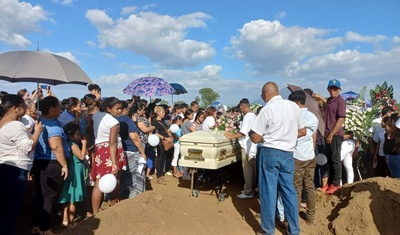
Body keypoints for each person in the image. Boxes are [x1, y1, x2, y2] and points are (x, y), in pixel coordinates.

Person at [250, 82, 306, 235]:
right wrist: (286, 136)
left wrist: (270, 136)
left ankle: (268, 230)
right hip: (288, 154)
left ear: (265, 94)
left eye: (262, 96)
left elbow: (255, 138)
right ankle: (294, 230)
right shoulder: (294, 107)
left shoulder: (267, 109)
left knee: (268, 192)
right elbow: (303, 131)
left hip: (271, 153)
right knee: (289, 192)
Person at [0, 94, 43, 235]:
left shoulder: (3, 123)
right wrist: (37, 132)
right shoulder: (15, 125)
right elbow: (27, 147)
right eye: (24, 106)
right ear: (15, 108)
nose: (26, 108)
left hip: (6, 168)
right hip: (14, 171)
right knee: (10, 210)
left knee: (5, 209)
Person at [31, 96, 70, 235]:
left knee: (40, 195)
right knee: (49, 197)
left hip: (39, 162)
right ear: (52, 108)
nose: (61, 109)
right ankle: (45, 229)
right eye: (59, 106)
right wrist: (64, 165)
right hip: (52, 163)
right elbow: (56, 147)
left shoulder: (41, 122)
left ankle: (36, 225)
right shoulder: (52, 126)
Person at [91, 97, 126, 215]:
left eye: (121, 108)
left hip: (100, 150)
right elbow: (112, 142)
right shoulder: (114, 122)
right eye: (117, 109)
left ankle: (95, 212)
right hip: (111, 152)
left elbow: (90, 129)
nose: (120, 111)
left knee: (98, 181)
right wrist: (114, 162)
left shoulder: (96, 116)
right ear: (109, 108)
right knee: (114, 179)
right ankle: (114, 207)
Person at [288, 90, 318, 225]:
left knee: (296, 188)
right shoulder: (313, 117)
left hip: (297, 156)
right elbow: (314, 138)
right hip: (310, 156)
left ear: (295, 103)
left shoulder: (294, 117)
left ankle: (294, 219)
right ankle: (310, 217)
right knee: (310, 187)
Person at [224, 98, 257, 199]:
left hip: (247, 146)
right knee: (252, 169)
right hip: (252, 146)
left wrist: (231, 137)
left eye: (240, 108)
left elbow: (243, 132)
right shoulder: (253, 115)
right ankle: (250, 188)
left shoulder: (247, 116)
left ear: (242, 107)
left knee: (247, 170)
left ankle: (248, 191)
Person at [59, 123, 87, 228]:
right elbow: (81, 156)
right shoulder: (73, 145)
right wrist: (84, 144)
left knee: (68, 197)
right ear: (70, 135)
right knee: (73, 198)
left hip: (72, 171)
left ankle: (65, 220)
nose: (79, 136)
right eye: (77, 134)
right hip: (75, 173)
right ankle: (71, 222)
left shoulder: (68, 144)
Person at [116, 101, 147, 199]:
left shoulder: (112, 119)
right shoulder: (126, 119)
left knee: (122, 178)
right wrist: (142, 152)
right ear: (125, 109)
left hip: (119, 152)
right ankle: (136, 199)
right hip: (131, 151)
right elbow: (134, 137)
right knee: (136, 177)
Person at [321, 79, 346, 195]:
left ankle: (336, 184)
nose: (332, 90)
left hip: (335, 134)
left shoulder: (340, 101)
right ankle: (330, 183)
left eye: (335, 88)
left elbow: (341, 118)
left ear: (339, 90)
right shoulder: (330, 101)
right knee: (329, 160)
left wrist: (331, 133)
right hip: (327, 134)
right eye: (330, 88)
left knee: (336, 159)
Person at [130, 103, 156, 180]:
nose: (144, 111)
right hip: (141, 141)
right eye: (143, 110)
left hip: (143, 141)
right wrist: (153, 127)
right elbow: (145, 129)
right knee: (141, 160)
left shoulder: (139, 118)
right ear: (138, 110)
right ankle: (140, 177)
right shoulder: (138, 118)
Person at [152, 105, 174, 185]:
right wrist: (165, 138)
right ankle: (159, 176)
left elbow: (166, 129)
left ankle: (161, 174)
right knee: (160, 158)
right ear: (158, 113)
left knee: (163, 157)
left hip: (165, 141)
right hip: (160, 142)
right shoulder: (154, 121)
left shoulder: (162, 121)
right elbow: (156, 133)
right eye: (162, 112)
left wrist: (170, 136)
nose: (164, 113)